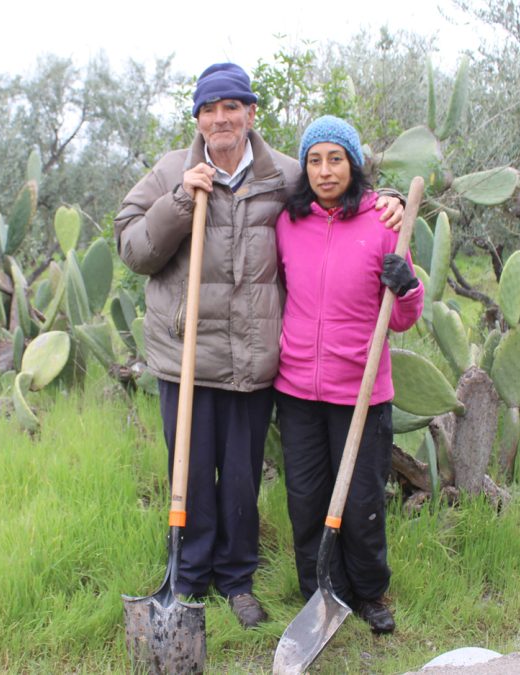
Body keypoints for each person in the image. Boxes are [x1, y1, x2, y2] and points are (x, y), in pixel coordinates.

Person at [114, 64, 405, 629]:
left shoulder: (286, 175)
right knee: (191, 474)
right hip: (188, 358)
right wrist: (179, 200)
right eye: (208, 109)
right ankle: (189, 579)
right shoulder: (172, 169)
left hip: (252, 357)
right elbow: (132, 248)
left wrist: (388, 201)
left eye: (232, 107)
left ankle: (238, 581)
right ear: (197, 118)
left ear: (252, 113)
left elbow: (340, 196)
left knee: (243, 480)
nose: (220, 118)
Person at [274, 115, 424, 634]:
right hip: (296, 388)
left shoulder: (384, 224)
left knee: (361, 501)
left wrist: (406, 286)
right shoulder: (289, 223)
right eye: (314, 160)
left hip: (360, 390)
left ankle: (369, 592)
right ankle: (320, 592)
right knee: (307, 498)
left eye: (335, 158)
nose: (324, 170)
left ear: (353, 163)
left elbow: (403, 317)